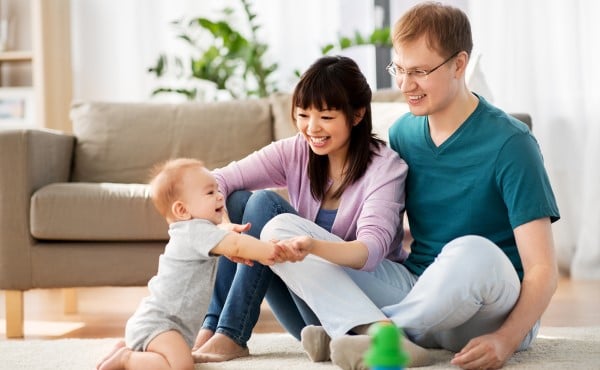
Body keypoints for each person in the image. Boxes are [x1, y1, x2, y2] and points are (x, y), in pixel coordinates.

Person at [263, 2, 560, 370]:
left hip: (491, 309)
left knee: (471, 251)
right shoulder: (403, 133)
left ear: (459, 64)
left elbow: (543, 270)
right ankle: (386, 336)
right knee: (278, 230)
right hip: (418, 287)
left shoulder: (512, 144)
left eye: (419, 71)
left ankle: (361, 332)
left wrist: (506, 339)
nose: (404, 85)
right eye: (399, 69)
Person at [192, 55, 410, 363]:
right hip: (309, 314)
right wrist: (226, 225)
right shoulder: (297, 151)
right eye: (303, 115)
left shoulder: (385, 168)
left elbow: (370, 252)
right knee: (237, 200)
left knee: (264, 204)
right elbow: (218, 180)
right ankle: (213, 326)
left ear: (357, 114)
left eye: (326, 117)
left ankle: (230, 334)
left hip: (365, 302)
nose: (311, 128)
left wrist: (312, 246)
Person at [96, 158, 285, 370]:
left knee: (182, 356)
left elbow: (229, 242)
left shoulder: (192, 232)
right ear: (183, 210)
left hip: (165, 326)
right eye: (210, 193)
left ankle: (130, 349)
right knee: (182, 366)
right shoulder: (195, 231)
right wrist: (269, 250)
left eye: (217, 189)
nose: (220, 195)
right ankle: (127, 359)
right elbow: (237, 245)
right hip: (161, 325)